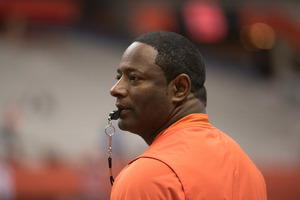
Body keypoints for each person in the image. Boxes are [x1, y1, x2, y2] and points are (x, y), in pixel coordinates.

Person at [109, 30, 267, 199]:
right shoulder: (249, 171)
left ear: (180, 88)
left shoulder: (146, 177)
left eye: (134, 78)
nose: (115, 89)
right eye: (119, 77)